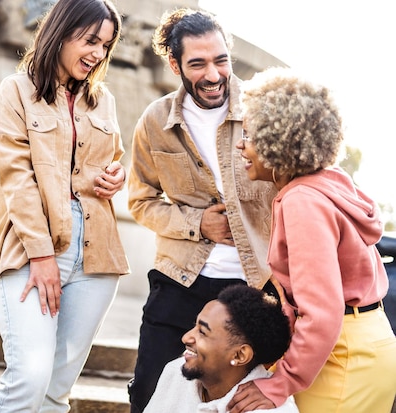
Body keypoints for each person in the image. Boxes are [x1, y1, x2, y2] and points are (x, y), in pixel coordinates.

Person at [126, 8, 277, 412]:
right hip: (180, 278)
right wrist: (197, 224)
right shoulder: (155, 121)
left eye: (221, 60)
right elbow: (140, 201)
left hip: (255, 287)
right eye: (197, 64)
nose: (213, 75)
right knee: (148, 393)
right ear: (174, 63)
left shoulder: (265, 109)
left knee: (243, 402)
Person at [0, 0, 130, 410]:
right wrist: (42, 253)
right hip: (32, 249)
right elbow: (17, 178)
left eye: (106, 45)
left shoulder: (104, 101)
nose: (97, 54)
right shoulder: (15, 91)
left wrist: (115, 175)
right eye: (89, 41)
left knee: (56, 391)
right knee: (29, 380)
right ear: (61, 31)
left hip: (97, 255)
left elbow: (111, 159)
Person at [228, 67, 396, 413]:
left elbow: (321, 312)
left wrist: (280, 383)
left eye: (249, 136)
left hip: (341, 358)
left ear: (280, 140)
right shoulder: (331, 183)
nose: (241, 146)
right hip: (367, 341)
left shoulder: (302, 201)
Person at [144, 284, 297, 412]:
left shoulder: (271, 411)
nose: (186, 338)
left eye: (202, 332)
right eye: (194, 326)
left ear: (239, 355)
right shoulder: (175, 372)